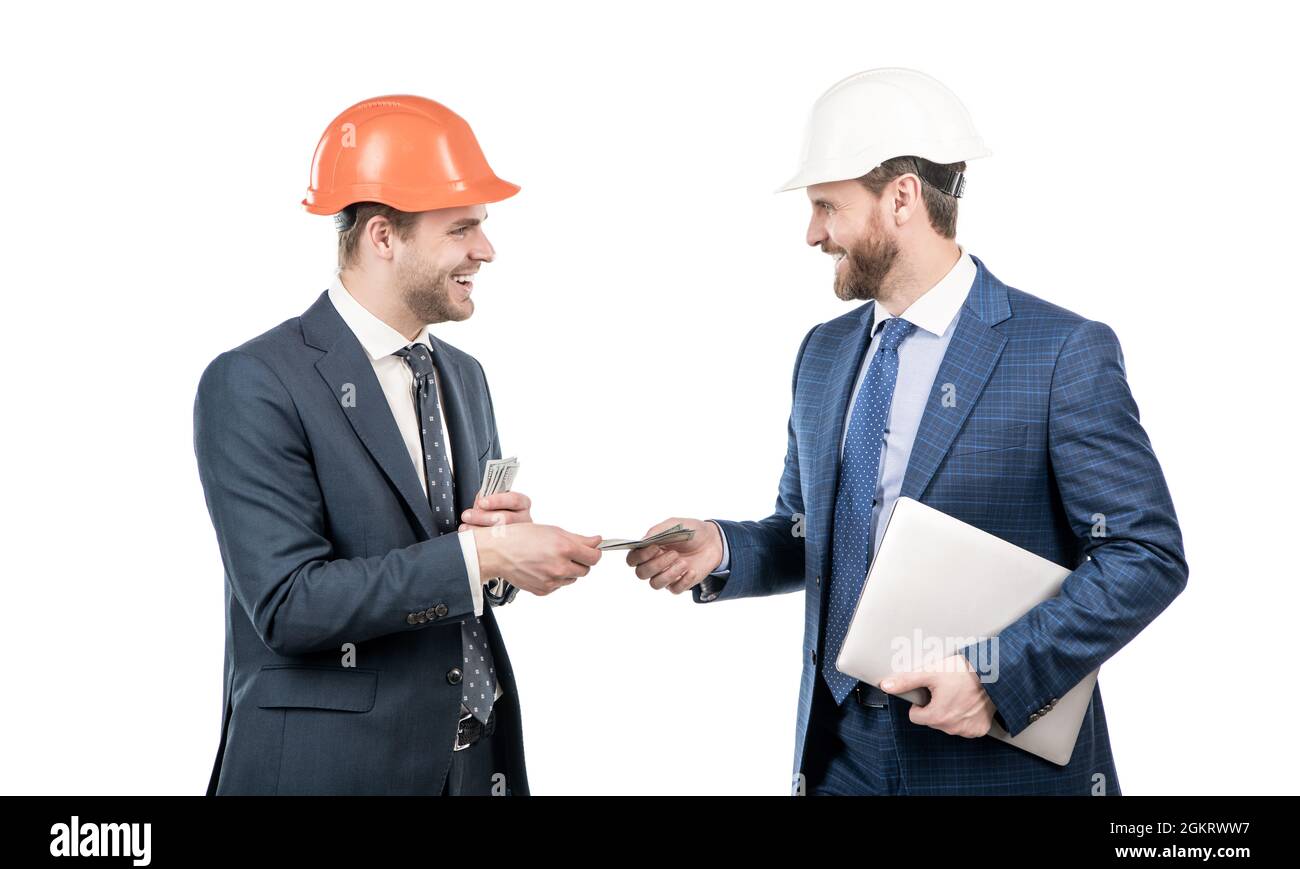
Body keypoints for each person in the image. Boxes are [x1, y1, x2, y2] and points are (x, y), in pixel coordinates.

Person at [625, 69, 1187, 795]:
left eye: (827, 206)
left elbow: (1144, 555)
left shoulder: (1059, 353)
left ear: (901, 198)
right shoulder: (823, 354)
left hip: (989, 760)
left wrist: (994, 675)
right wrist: (724, 546)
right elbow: (809, 531)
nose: (812, 234)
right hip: (837, 756)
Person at [194, 95, 602, 795]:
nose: (487, 249)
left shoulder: (462, 377)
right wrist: (479, 556)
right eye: (463, 228)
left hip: (474, 763)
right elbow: (290, 606)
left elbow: (456, 575)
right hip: (333, 772)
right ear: (383, 236)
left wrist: (504, 560)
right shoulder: (255, 382)